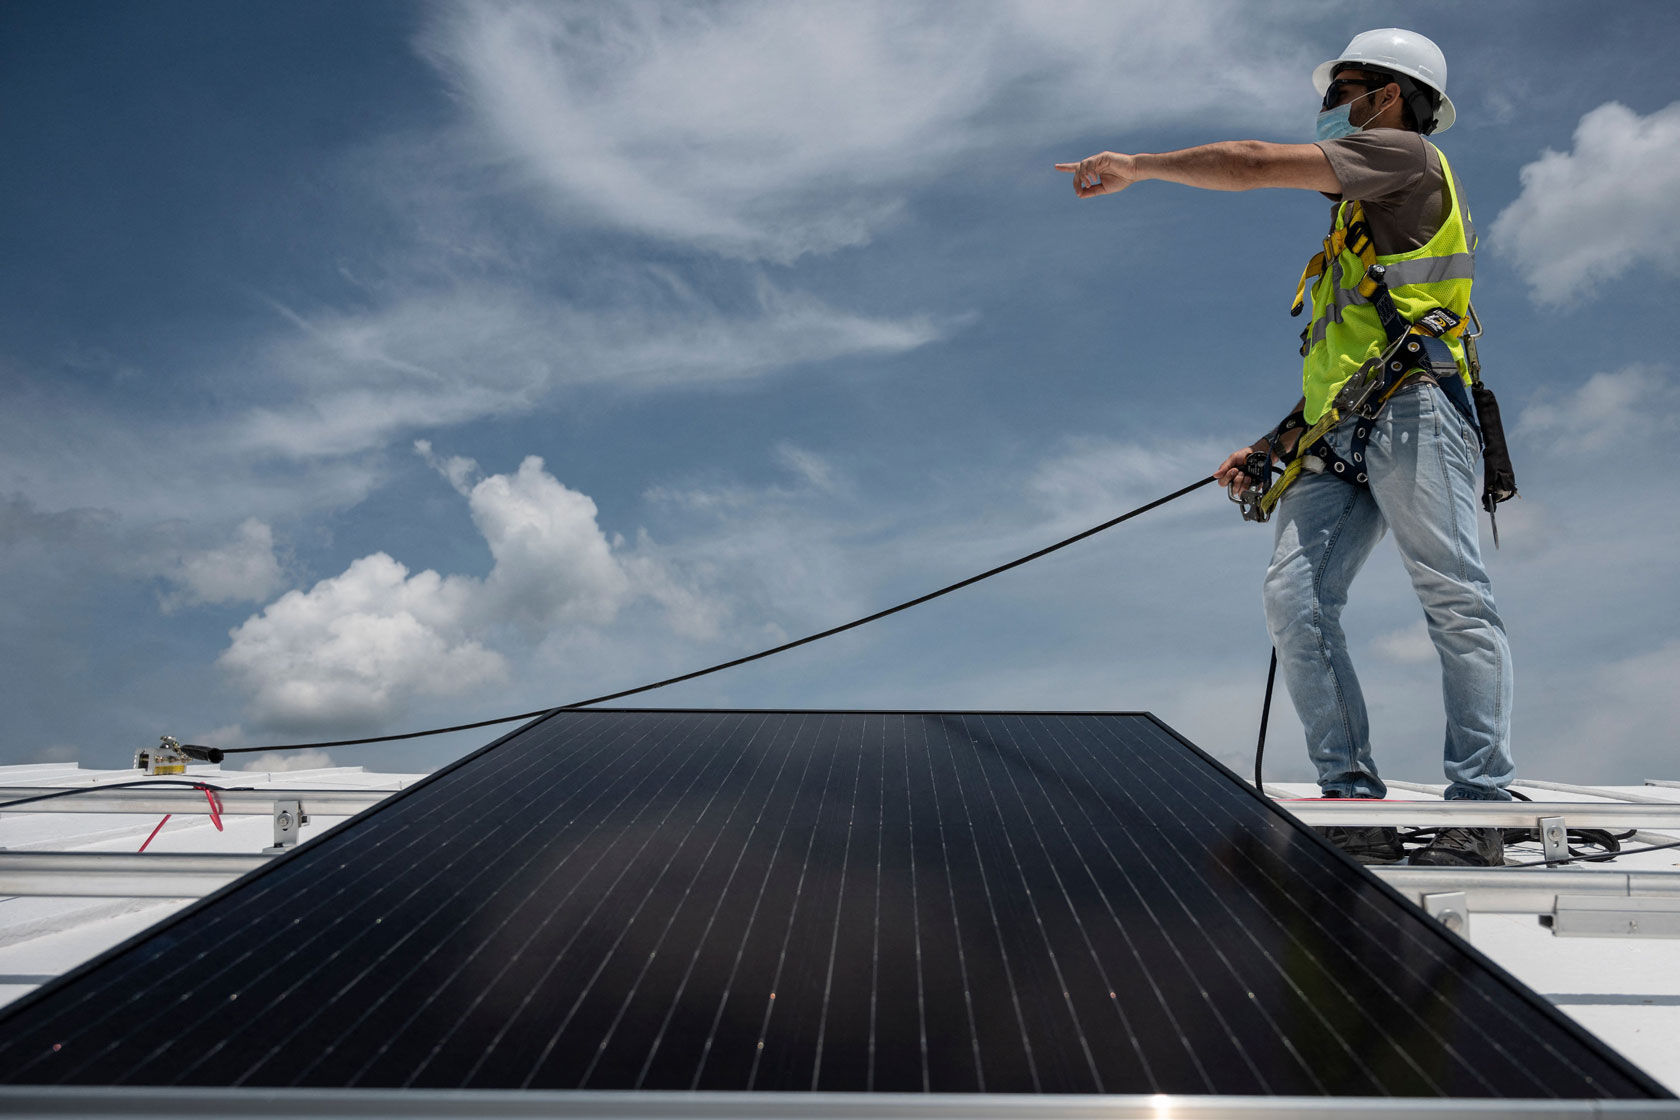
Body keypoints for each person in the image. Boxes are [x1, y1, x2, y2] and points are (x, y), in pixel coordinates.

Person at [1055, 29, 1512, 866]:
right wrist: (1274, 444)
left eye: (1342, 89)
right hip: (1339, 431)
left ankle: (1480, 806)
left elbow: (1254, 162)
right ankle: (1351, 799)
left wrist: (1139, 166)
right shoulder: (1352, 228)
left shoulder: (1405, 157)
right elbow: (1349, 359)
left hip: (1417, 410)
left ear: (1389, 97)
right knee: (1295, 602)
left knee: (1454, 596)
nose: (1328, 106)